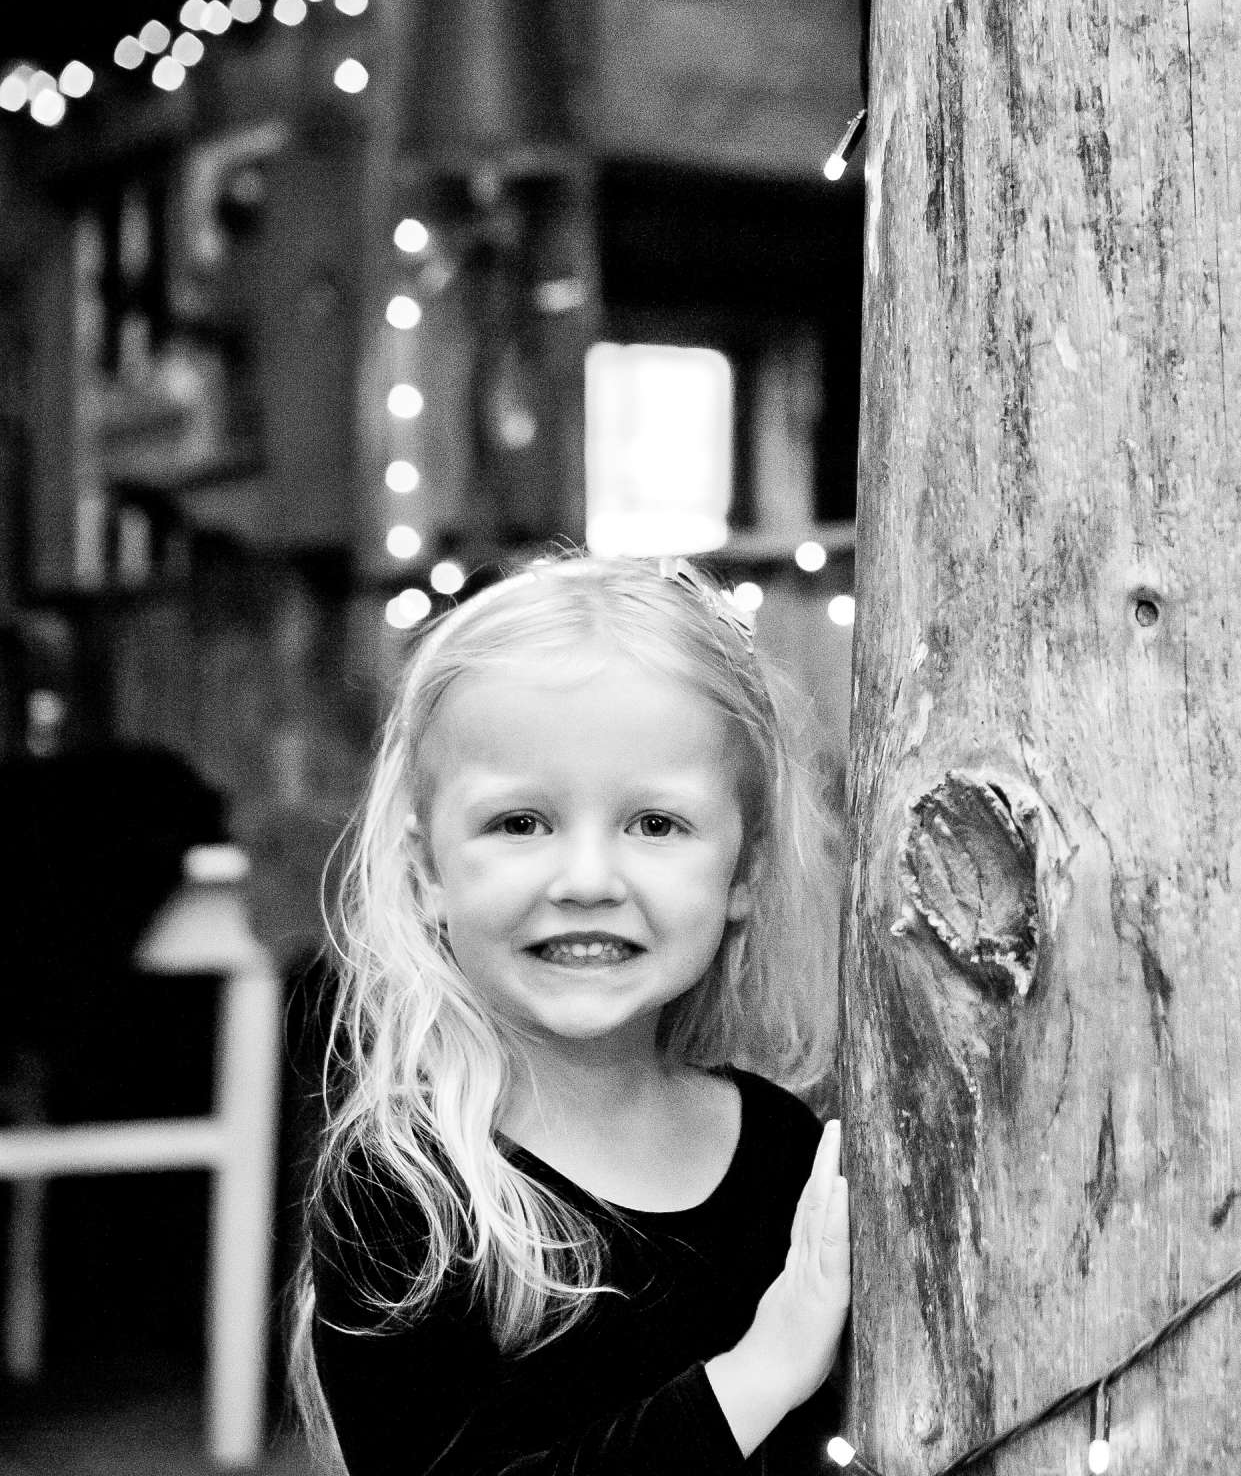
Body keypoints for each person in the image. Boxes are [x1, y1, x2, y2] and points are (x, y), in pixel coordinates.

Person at [292, 555, 849, 1475]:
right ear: (428, 871)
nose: (587, 880)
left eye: (654, 824)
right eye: (521, 823)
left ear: (743, 872)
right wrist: (763, 1369)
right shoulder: (405, 1196)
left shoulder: (790, 1154)